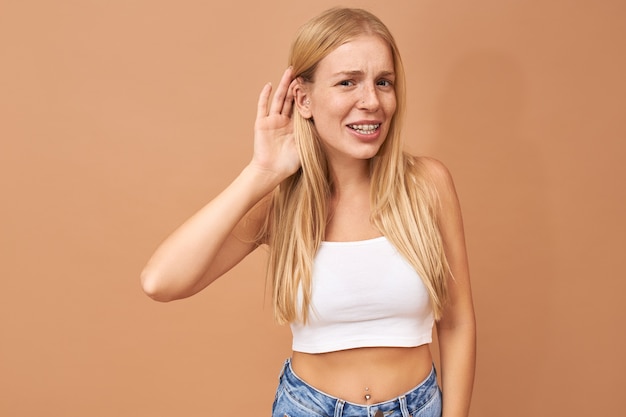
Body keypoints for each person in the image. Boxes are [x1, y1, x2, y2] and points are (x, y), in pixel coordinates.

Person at [141, 7, 475, 417]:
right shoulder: (281, 201)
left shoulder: (427, 184)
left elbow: (457, 322)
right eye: (347, 82)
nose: (371, 101)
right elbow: (161, 281)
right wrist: (260, 172)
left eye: (383, 82)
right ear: (303, 98)